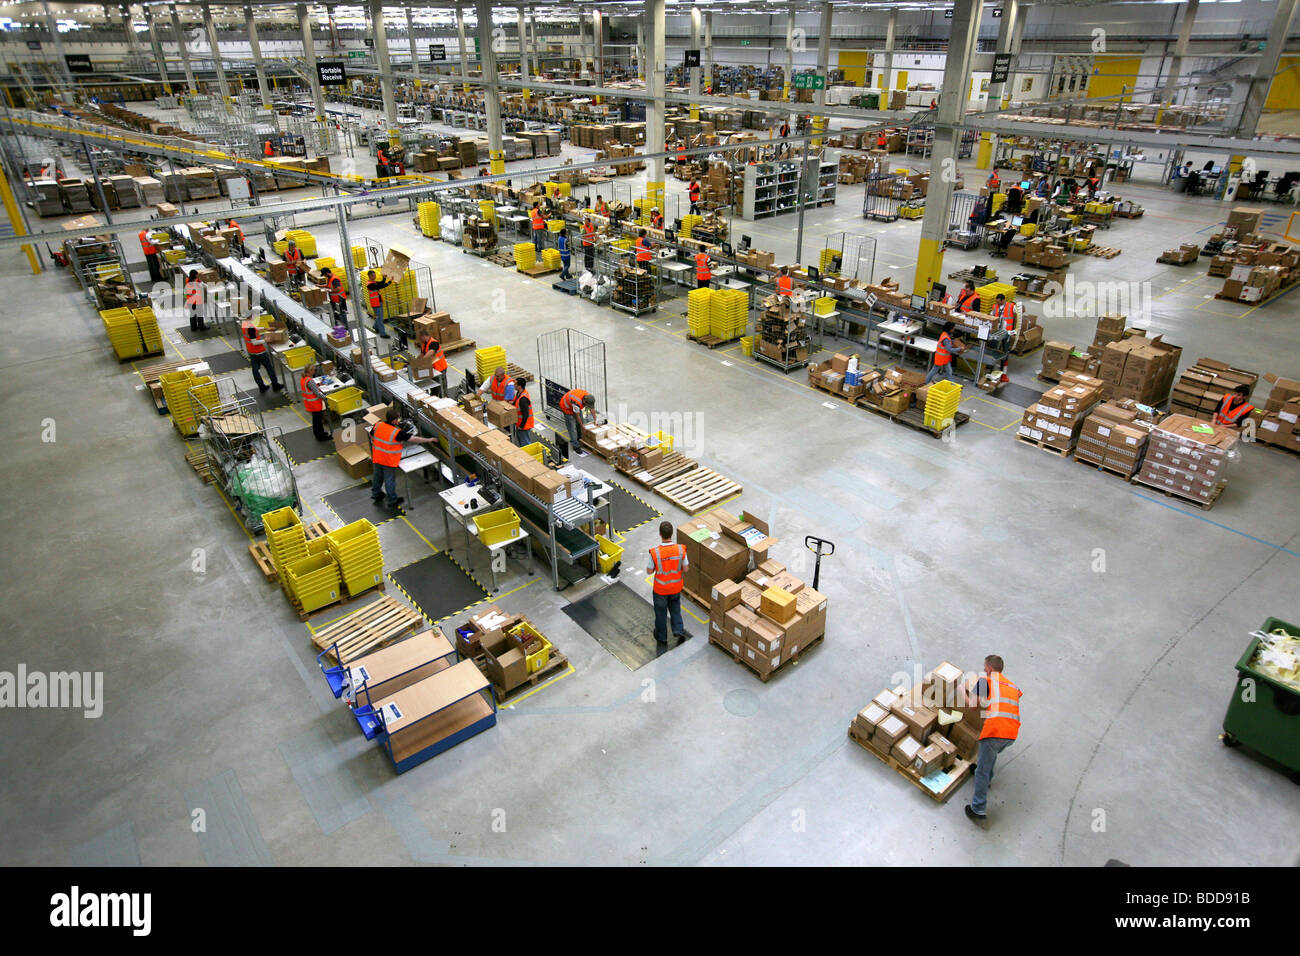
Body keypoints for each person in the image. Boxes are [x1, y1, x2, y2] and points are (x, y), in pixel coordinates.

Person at [965, 654, 1022, 824]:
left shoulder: (984, 681)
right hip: (1011, 734)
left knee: (982, 769)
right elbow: (1009, 701)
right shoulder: (1012, 686)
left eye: (984, 667)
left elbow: (974, 706)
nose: (984, 670)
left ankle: (978, 809)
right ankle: (987, 779)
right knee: (990, 757)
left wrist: (963, 692)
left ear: (989, 668)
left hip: (994, 732)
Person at [370, 405, 437, 509]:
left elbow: (372, 435)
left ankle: (376, 494)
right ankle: (392, 500)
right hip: (388, 459)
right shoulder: (396, 433)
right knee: (389, 480)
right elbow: (413, 439)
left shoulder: (378, 425)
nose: (399, 421)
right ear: (394, 421)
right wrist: (430, 440)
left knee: (377, 476)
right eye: (398, 419)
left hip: (377, 456)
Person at [647, 520, 690, 646]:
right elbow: (686, 568)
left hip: (660, 590)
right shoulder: (681, 549)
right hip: (675, 587)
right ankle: (678, 630)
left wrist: (657, 567)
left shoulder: (655, 552)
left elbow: (649, 571)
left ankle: (662, 637)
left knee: (660, 614)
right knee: (675, 609)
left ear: (660, 534)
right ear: (672, 534)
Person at [241, 319, 283, 393]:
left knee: (255, 369)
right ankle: (275, 384)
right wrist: (265, 340)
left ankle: (261, 387)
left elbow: (254, 331)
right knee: (269, 367)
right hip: (259, 351)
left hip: (251, 351)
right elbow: (254, 342)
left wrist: (265, 328)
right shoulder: (250, 328)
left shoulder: (245, 323)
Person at [559, 387, 596, 456]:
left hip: (574, 405)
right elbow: (577, 416)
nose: (587, 406)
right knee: (572, 428)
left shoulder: (588, 397)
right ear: (584, 401)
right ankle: (575, 445)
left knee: (581, 422)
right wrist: (582, 426)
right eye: (587, 405)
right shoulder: (576, 402)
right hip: (567, 408)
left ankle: (579, 437)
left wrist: (595, 420)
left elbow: (592, 409)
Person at [301, 362, 330, 441]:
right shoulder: (310, 381)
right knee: (318, 421)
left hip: (310, 404)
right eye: (313, 370)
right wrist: (326, 398)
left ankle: (319, 434)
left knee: (316, 420)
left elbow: (312, 389)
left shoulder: (304, 379)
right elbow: (317, 393)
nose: (314, 372)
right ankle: (321, 436)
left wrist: (318, 385)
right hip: (315, 404)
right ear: (309, 371)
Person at [416, 328, 449, 395]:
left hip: (440, 368)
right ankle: (435, 398)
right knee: (434, 387)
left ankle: (445, 399)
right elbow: (422, 354)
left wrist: (420, 362)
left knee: (442, 387)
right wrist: (415, 361)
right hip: (432, 369)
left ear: (423, 336)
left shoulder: (434, 343)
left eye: (419, 338)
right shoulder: (424, 344)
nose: (418, 339)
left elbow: (430, 353)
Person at [365, 269, 392, 338]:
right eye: (373, 275)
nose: (374, 276)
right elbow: (380, 286)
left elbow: (381, 283)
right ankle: (382, 333)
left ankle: (375, 326)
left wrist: (384, 278)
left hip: (379, 301)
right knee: (380, 318)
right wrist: (389, 282)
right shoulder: (370, 284)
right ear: (369, 276)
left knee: (380, 317)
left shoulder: (373, 282)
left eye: (375, 275)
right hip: (375, 303)